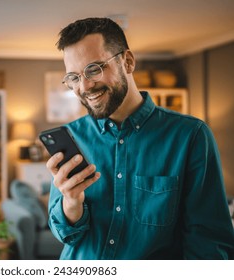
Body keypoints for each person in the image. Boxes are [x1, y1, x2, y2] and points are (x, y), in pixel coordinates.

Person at [46, 17, 234, 259]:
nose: (84, 86)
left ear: (128, 62)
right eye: (73, 77)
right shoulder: (72, 138)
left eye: (94, 69)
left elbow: (208, 244)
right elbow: (65, 235)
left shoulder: (191, 136)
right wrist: (71, 202)